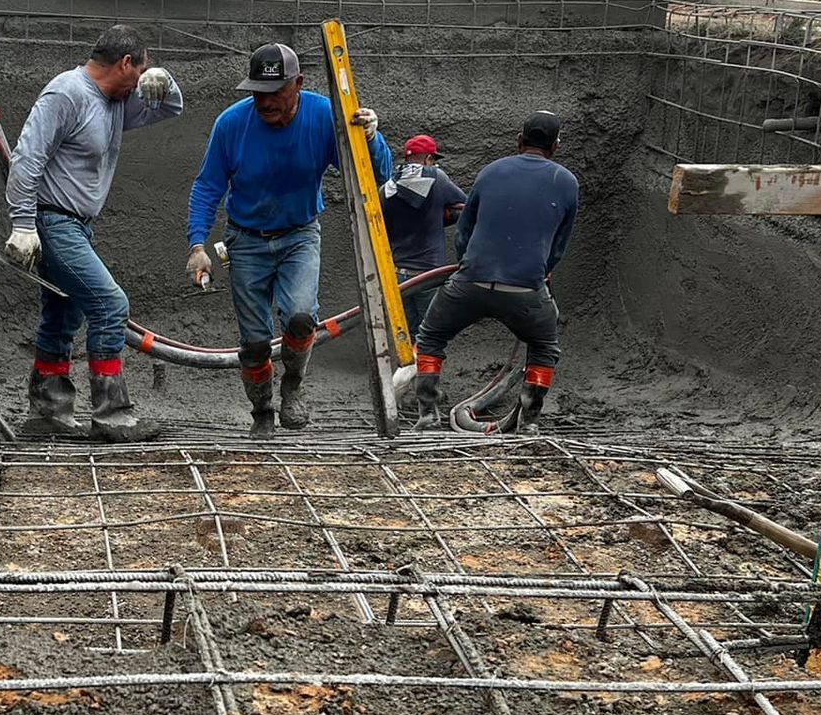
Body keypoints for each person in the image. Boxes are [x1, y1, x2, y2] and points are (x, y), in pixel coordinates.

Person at [187, 43, 390, 438]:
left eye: (275, 92)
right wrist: (197, 245)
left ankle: (293, 383)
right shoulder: (231, 124)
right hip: (246, 241)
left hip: (299, 234)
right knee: (255, 340)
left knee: (300, 316)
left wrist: (372, 137)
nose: (265, 102)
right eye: (257, 93)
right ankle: (262, 409)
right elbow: (207, 186)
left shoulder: (322, 116)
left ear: (298, 83)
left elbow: (377, 173)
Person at [4, 26, 183, 441]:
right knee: (109, 303)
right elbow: (27, 158)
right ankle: (112, 415)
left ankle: (48, 413)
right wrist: (24, 224)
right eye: (140, 72)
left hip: (77, 227)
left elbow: (169, 107)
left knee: (63, 314)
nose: (140, 83)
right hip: (54, 222)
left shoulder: (115, 101)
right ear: (124, 64)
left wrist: (164, 81)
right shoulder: (67, 94)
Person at [409, 111, 577, 431]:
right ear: (555, 146)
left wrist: (468, 267)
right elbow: (559, 246)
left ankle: (427, 415)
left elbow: (463, 232)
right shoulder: (567, 183)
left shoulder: (490, 172)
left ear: (519, 140)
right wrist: (540, 274)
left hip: (469, 283)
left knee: (430, 337)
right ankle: (528, 423)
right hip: (526, 290)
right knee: (543, 347)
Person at [380, 133, 466, 337]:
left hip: (398, 274)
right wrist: (443, 215)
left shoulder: (388, 187)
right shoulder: (436, 177)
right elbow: (467, 206)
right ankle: (425, 369)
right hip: (428, 274)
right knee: (430, 335)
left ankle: (408, 368)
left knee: (406, 335)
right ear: (428, 159)